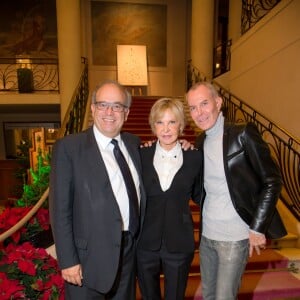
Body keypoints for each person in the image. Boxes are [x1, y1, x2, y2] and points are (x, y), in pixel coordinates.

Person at [185, 81, 287, 300]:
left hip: (234, 237)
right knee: (209, 295)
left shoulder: (243, 134)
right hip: (206, 236)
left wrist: (257, 228)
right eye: (193, 107)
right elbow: (201, 190)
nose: (199, 112)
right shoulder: (200, 141)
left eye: (204, 103)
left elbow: (272, 181)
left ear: (218, 102)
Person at [49, 80, 146, 300]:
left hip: (128, 254)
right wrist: (68, 260)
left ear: (127, 112)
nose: (109, 112)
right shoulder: (69, 148)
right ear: (92, 109)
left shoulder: (134, 143)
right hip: (87, 260)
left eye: (117, 106)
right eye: (102, 105)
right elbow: (60, 210)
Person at [136, 98, 202, 300]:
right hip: (145, 243)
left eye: (172, 122)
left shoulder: (194, 157)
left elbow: (202, 195)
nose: (166, 129)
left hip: (179, 243)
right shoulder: (140, 154)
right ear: (153, 126)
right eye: (160, 122)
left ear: (180, 125)